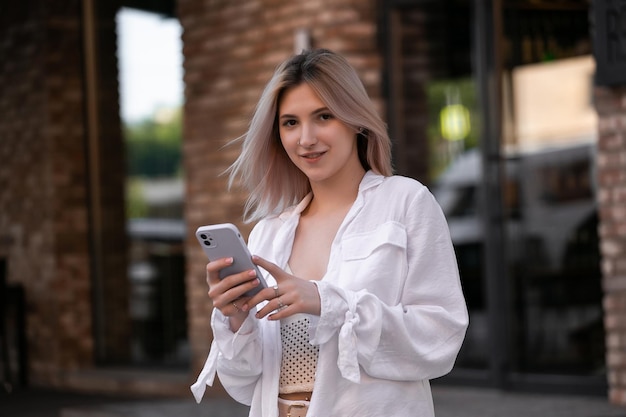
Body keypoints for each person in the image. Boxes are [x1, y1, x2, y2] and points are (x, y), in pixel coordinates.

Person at [191, 48, 469, 417]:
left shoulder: (405, 203)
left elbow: (440, 338)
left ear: (355, 120)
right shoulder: (268, 235)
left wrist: (329, 304)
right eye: (290, 122)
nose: (306, 138)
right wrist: (236, 318)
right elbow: (244, 383)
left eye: (323, 116)